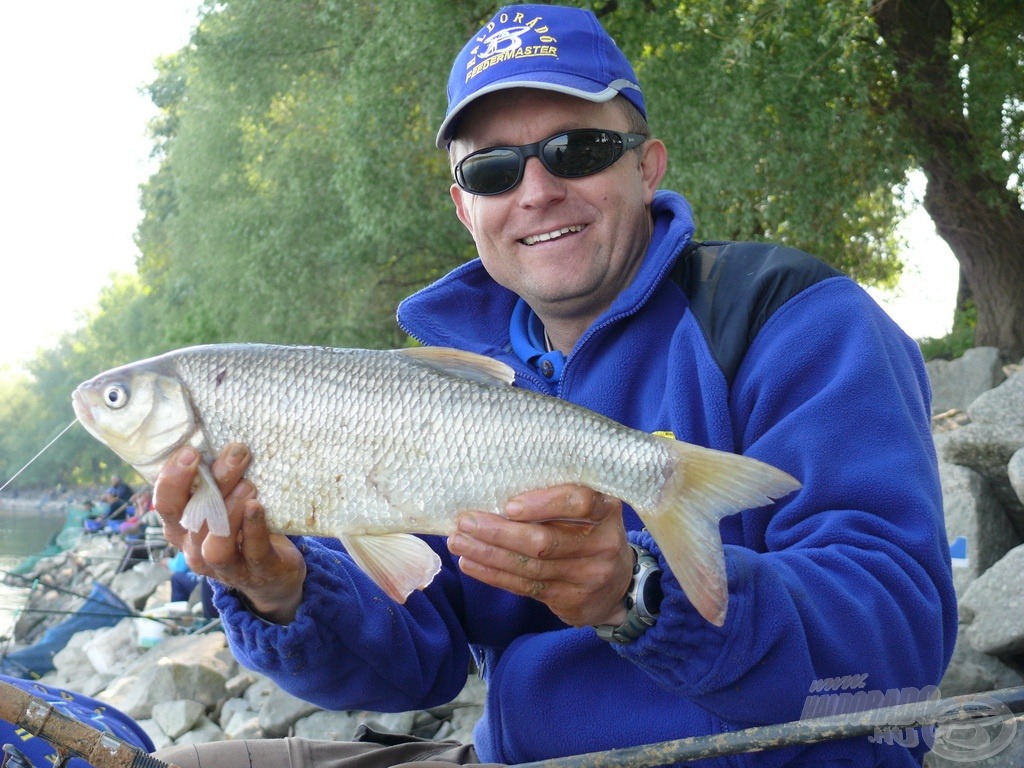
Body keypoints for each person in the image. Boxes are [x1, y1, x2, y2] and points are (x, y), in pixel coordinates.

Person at [151, 5, 956, 767]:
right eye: (495, 170)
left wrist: (634, 593)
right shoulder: (436, 389)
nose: (536, 191)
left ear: (648, 166)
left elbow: (899, 651)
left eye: (578, 150)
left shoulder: (791, 319)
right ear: (465, 208)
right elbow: (412, 667)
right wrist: (279, 590)